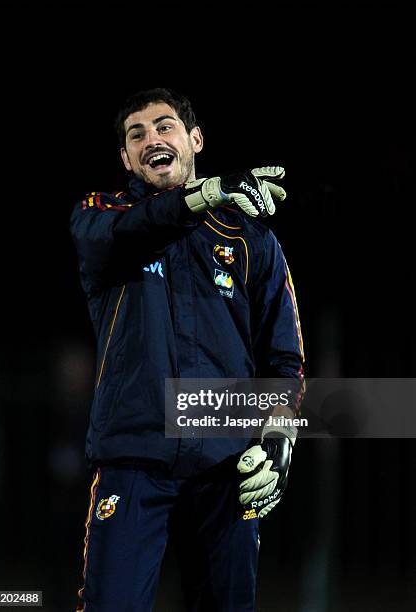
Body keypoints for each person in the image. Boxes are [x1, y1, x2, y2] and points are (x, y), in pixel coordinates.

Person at [70, 87, 305, 612]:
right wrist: (210, 193)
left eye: (164, 126)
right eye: (137, 134)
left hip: (226, 464)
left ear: (195, 139)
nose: (151, 137)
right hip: (132, 462)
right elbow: (126, 230)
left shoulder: (251, 238)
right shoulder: (102, 217)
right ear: (126, 158)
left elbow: (284, 359)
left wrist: (278, 436)